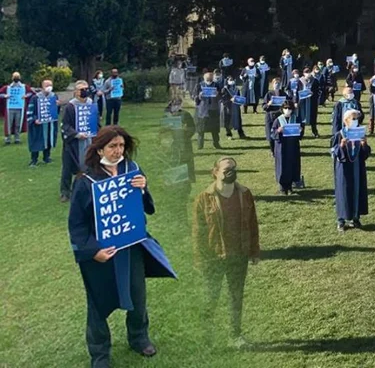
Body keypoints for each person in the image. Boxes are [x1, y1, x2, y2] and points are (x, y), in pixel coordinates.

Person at [68, 126, 176, 368]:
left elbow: (146, 207)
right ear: (99, 149)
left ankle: (139, 338)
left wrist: (143, 188)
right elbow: (76, 224)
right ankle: (100, 354)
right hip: (101, 253)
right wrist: (93, 251)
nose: (118, 151)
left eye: (121, 146)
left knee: (138, 296)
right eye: (112, 146)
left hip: (131, 246)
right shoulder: (86, 180)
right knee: (98, 303)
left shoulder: (132, 170)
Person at [193, 157, 260, 348]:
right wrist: (200, 259)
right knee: (210, 298)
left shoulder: (245, 194)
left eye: (234, 169)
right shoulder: (203, 198)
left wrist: (254, 251)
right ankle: (206, 338)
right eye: (226, 169)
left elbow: (253, 224)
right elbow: (198, 232)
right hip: (214, 257)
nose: (231, 172)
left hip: (239, 255)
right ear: (215, 172)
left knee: (235, 297)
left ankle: (235, 335)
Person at [332, 110, 371, 232]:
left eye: (356, 119)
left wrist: (365, 145)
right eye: (352, 118)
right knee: (344, 192)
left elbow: (365, 154)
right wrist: (342, 146)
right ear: (345, 120)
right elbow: (333, 152)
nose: (355, 121)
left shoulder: (360, 134)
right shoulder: (340, 135)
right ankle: (341, 220)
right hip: (343, 168)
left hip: (357, 167)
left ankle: (355, 217)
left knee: (357, 190)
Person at [60, 81, 97, 202]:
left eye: (86, 88)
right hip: (74, 142)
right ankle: (65, 192)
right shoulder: (70, 106)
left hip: (89, 140)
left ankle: (87, 188)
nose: (84, 91)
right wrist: (76, 134)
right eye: (81, 89)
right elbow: (65, 125)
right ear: (76, 92)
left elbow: (95, 122)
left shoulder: (91, 104)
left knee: (89, 165)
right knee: (68, 167)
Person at [270, 100, 303, 195]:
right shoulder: (278, 120)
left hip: (293, 147)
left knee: (293, 165)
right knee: (282, 166)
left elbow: (300, 135)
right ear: (282, 109)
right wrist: (278, 131)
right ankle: (282, 187)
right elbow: (272, 134)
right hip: (282, 147)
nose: (287, 110)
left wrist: (300, 131)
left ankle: (290, 187)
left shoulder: (296, 119)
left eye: (289, 108)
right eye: (285, 108)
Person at [26, 79, 59, 166]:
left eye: (50, 85)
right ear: (42, 87)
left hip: (49, 123)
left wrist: (57, 106)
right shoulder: (35, 97)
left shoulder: (54, 96)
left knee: (48, 140)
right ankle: (34, 159)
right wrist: (34, 120)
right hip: (38, 124)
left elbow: (56, 112)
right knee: (36, 141)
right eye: (47, 85)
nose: (49, 87)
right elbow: (30, 111)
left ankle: (46, 157)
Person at [0, 72, 33, 144]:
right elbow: (0, 94)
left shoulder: (24, 87)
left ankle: (17, 138)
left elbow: (31, 93)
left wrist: (26, 96)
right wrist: (5, 96)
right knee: (9, 123)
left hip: (20, 107)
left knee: (18, 123)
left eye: (17, 77)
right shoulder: (7, 87)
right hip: (10, 108)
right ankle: (7, 139)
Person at [193, 72, 222, 150]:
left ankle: (216, 144)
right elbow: (194, 97)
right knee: (201, 129)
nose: (209, 80)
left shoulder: (216, 85)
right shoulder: (199, 85)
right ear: (204, 78)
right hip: (202, 110)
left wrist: (218, 94)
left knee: (215, 129)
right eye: (207, 79)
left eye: (210, 79)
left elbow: (221, 97)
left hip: (213, 109)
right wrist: (199, 96)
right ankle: (200, 145)